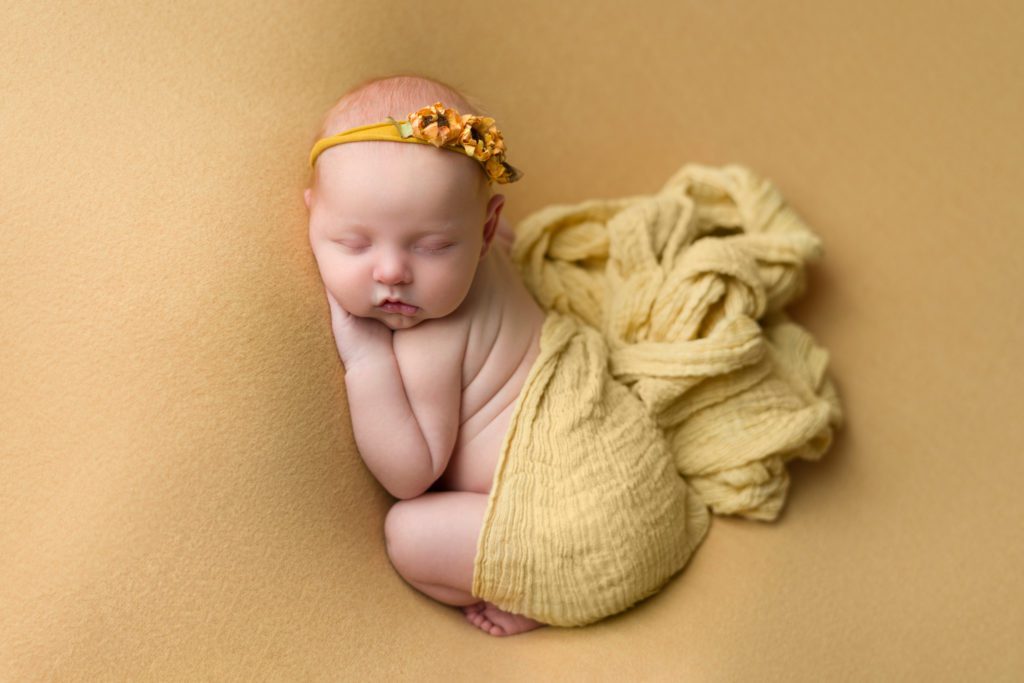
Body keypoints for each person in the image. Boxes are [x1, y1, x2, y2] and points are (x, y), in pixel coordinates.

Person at [304, 74, 547, 637]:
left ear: (484, 230)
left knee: (409, 533)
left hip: (550, 510)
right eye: (354, 243)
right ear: (313, 211)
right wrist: (443, 243)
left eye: (433, 246)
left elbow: (411, 474)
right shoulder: (487, 248)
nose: (391, 273)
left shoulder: (430, 338)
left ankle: (542, 590)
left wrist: (366, 359)